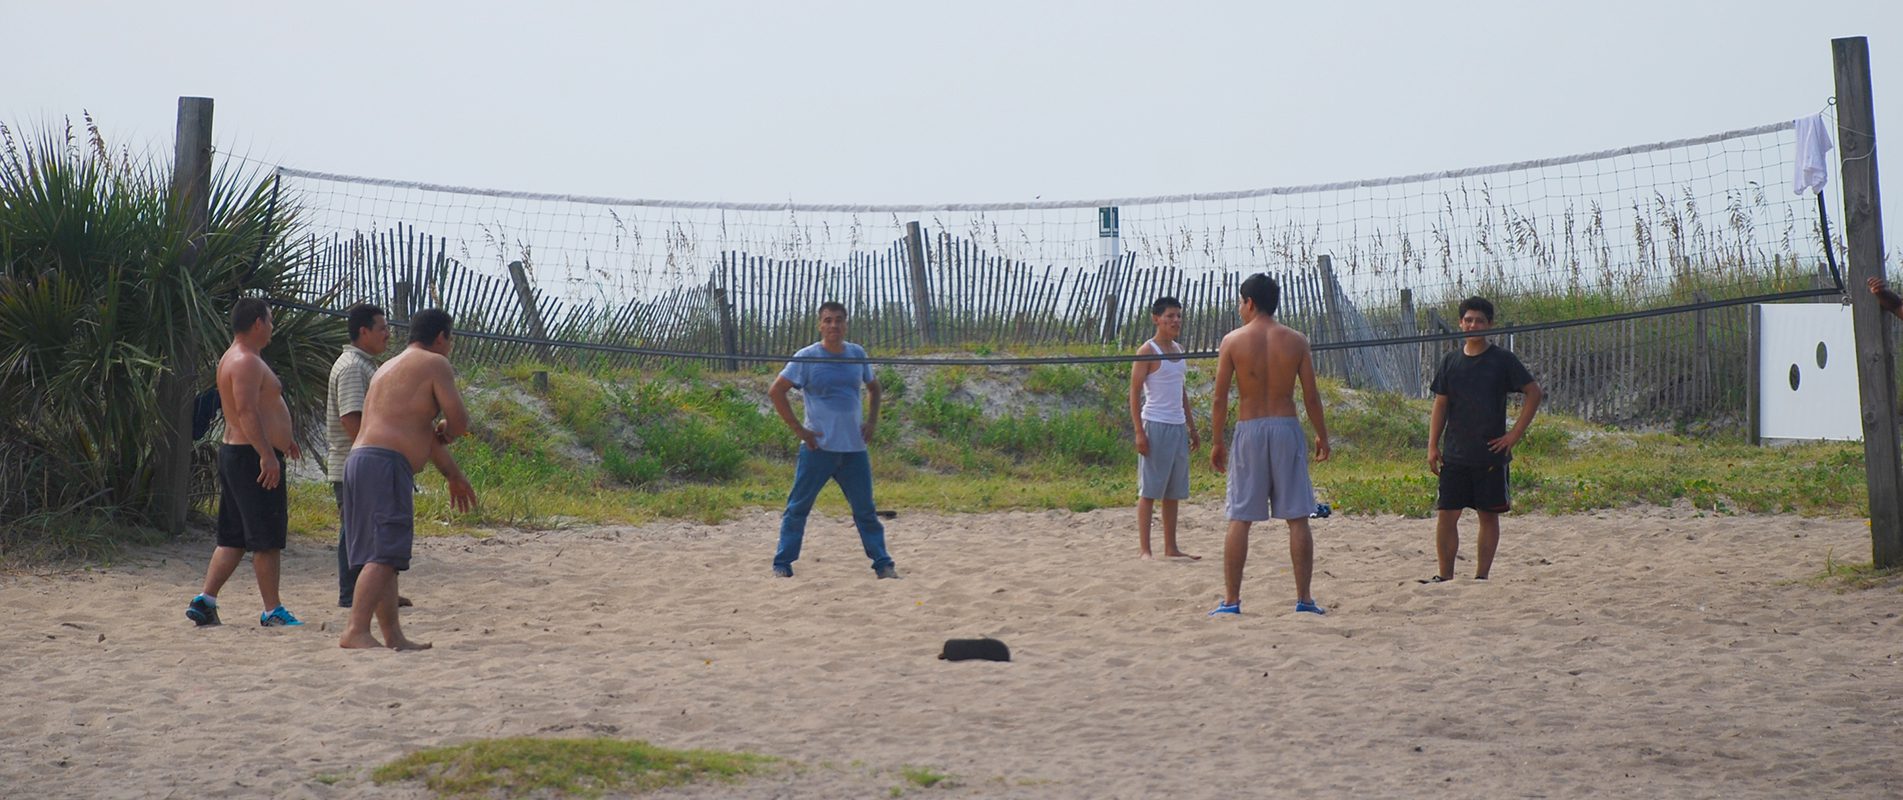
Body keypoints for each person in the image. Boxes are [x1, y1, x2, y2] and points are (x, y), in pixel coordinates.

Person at [338, 309, 477, 651]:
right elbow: (458, 421)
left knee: (382, 554)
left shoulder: (388, 368)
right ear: (442, 337)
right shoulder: (434, 364)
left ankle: (393, 636)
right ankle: (356, 629)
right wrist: (447, 430)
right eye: (450, 340)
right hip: (386, 465)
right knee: (385, 553)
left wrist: (453, 474)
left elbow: (420, 434)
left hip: (359, 461)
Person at [1208, 274, 1330, 616]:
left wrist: (1217, 440)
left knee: (1240, 517)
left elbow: (1219, 398)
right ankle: (1304, 599)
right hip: (1285, 425)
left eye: (1239, 302)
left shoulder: (1232, 341)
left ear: (1249, 302)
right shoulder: (1296, 340)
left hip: (1250, 428)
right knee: (1297, 516)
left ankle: (1232, 601)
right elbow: (1311, 395)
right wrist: (1322, 433)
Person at [186, 297, 305, 628]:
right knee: (265, 537)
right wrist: (267, 454)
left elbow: (260, 409)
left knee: (234, 536)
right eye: (269, 319)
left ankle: (205, 600)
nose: (272, 326)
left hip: (241, 453)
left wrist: (284, 440)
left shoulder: (237, 358)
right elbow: (246, 411)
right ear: (257, 323)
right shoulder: (246, 361)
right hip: (249, 456)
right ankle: (272, 610)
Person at [767, 301, 897, 579]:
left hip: (854, 449)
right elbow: (777, 391)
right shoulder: (806, 357)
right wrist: (799, 430)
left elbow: (873, 387)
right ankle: (782, 563)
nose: (833, 326)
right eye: (828, 320)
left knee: (865, 510)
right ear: (820, 324)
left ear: (845, 323)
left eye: (838, 320)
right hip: (818, 448)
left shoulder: (856, 354)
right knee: (798, 508)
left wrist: (872, 421)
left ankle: (883, 563)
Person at [1424, 297, 1543, 583]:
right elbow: (1441, 404)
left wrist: (1513, 436)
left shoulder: (1502, 360)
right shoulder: (1450, 361)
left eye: (1479, 320)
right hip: (1455, 454)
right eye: (1468, 320)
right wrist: (1432, 445)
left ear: (1489, 324)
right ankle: (1445, 576)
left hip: (1490, 454)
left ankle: (1481, 577)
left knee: (1488, 516)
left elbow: (1534, 393)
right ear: (1460, 323)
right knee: (1446, 515)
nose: (1473, 325)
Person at [325, 303, 409, 609]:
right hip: (355, 464)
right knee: (356, 532)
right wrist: (372, 457)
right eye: (382, 328)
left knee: (373, 530)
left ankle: (377, 592)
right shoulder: (351, 367)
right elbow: (352, 420)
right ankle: (351, 595)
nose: (388, 334)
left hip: (362, 461)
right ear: (364, 331)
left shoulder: (365, 365)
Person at [1129, 296, 1201, 560]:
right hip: (1155, 424)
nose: (1175, 321)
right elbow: (1135, 393)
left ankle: (1171, 548)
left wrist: (1192, 427)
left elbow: (1181, 391)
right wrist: (1139, 431)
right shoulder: (1147, 351)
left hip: (1177, 425)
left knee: (1173, 492)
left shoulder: (1178, 349)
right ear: (1156, 318)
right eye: (1170, 316)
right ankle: (1145, 549)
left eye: (1178, 316)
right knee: (1149, 490)